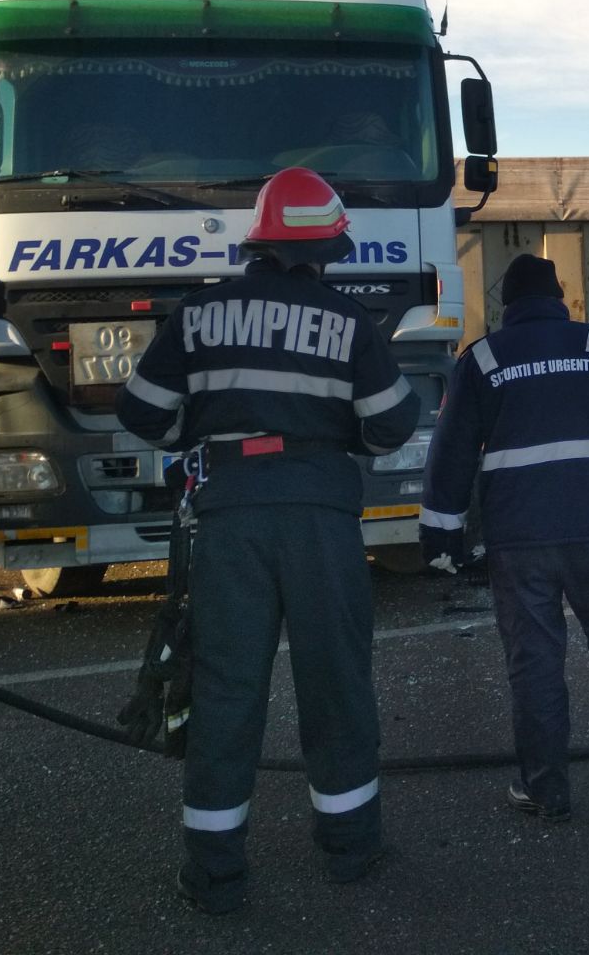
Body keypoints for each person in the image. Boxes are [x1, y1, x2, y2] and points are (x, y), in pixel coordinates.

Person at [116, 166, 419, 913]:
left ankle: (214, 874)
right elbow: (391, 425)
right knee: (336, 683)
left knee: (225, 690)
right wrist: (328, 436)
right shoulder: (349, 322)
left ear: (259, 244)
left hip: (230, 517)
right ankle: (350, 849)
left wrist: (206, 435)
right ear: (324, 253)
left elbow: (142, 412)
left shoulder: (197, 314)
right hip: (319, 516)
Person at [419, 253, 589, 822]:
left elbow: (451, 451)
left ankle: (546, 790)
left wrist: (441, 537)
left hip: (519, 539)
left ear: (507, 306)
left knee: (534, 660)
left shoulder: (482, 358)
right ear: (559, 298)